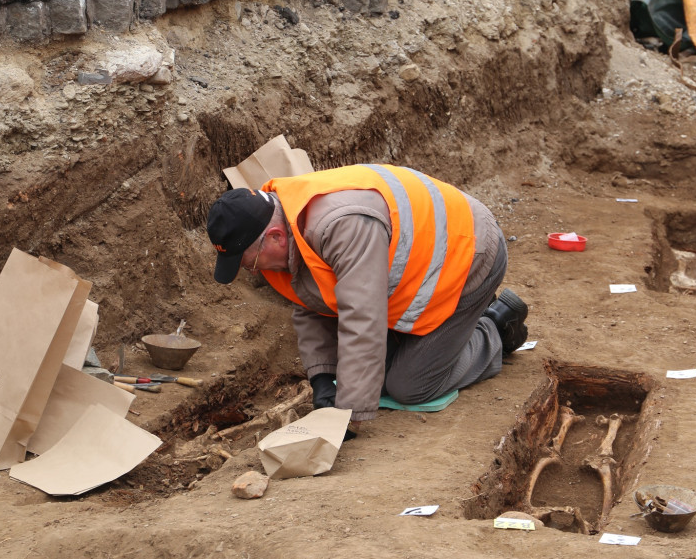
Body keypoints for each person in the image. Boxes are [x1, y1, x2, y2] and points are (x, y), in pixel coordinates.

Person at [206, 164, 528, 437]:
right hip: (419, 276)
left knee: (408, 384)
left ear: (275, 237)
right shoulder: (290, 224)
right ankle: (461, 326)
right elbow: (310, 298)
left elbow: (363, 320)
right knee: (374, 372)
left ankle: (494, 328)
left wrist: (347, 418)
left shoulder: (342, 225)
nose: (251, 272)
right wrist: (322, 378)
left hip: (470, 257)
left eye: (249, 262)